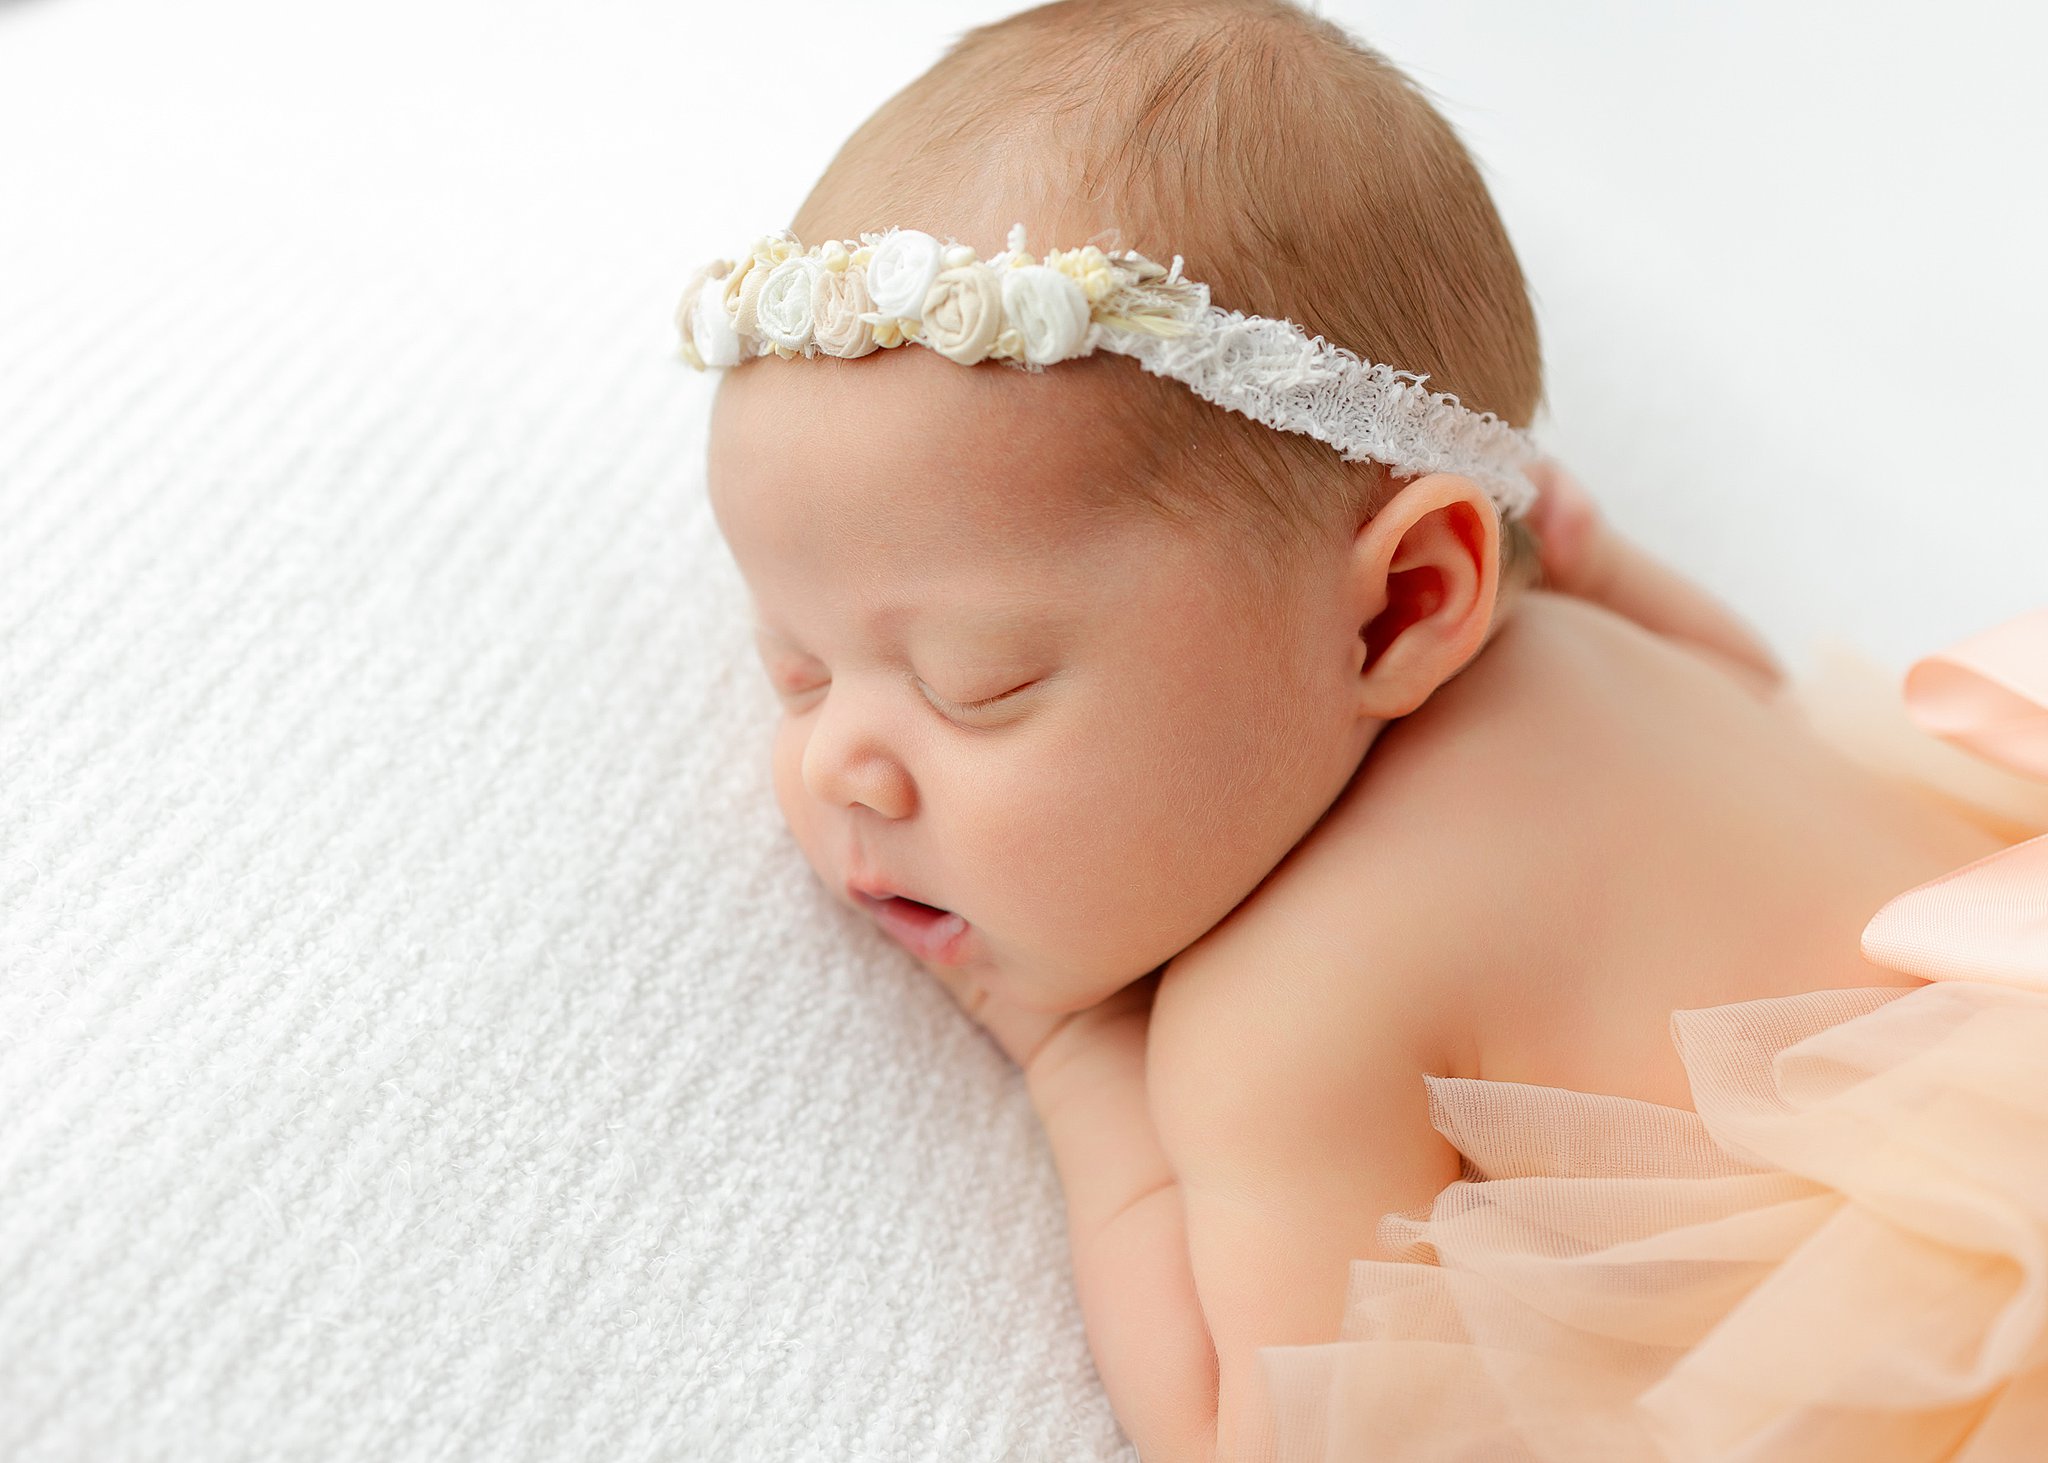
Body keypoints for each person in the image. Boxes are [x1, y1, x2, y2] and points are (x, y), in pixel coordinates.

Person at [676, 1, 2048, 1457]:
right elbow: (1756, 688)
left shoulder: (1281, 1020)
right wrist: (1601, 563)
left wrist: (1074, 1062)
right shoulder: (1599, 648)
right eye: (798, 671)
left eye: (976, 683)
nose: (838, 764)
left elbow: (1261, 1433)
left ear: (1402, 607)